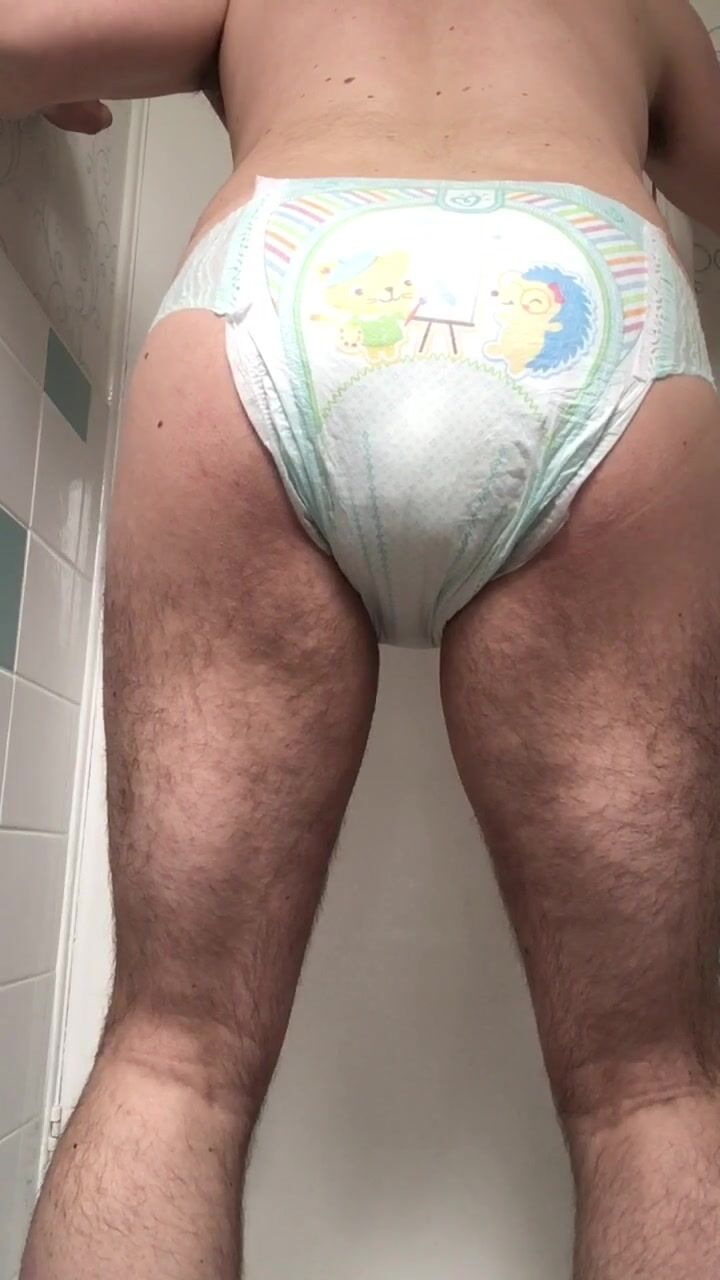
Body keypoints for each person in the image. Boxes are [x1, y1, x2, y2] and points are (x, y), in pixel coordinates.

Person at [5, 0, 720, 1275]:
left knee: (173, 1057)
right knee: (647, 1088)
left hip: (292, 267)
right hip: (583, 283)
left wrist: (63, 93)